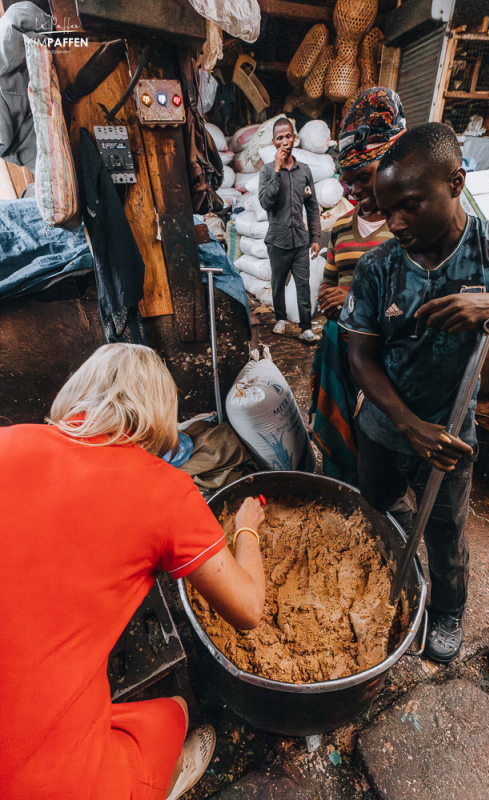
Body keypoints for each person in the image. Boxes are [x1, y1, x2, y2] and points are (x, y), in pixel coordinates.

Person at [0, 344, 266, 800]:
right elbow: (249, 609)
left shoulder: (9, 440)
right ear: (162, 416)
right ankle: (170, 776)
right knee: (176, 713)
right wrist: (247, 529)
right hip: (39, 783)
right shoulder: (165, 489)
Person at [339, 122, 489, 663]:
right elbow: (360, 355)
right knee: (379, 502)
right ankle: (399, 558)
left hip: (450, 434)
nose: (395, 223)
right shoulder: (378, 267)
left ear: (456, 180)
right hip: (383, 423)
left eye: (409, 205)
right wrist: (407, 425)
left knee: (446, 530)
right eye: (384, 209)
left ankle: (447, 609)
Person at [310, 88, 406, 486]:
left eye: (362, 178)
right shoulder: (341, 230)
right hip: (344, 349)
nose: (352, 191)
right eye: (346, 182)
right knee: (343, 429)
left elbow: (412, 296)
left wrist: (352, 301)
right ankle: (341, 483)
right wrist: (331, 304)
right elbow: (327, 288)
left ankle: (375, 493)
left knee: (378, 441)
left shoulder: (406, 229)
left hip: (385, 356)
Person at [258, 117, 322, 343]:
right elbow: (266, 202)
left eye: (288, 136)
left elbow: (312, 206)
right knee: (278, 282)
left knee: (302, 283)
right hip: (278, 239)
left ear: (294, 137)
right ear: (274, 142)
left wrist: (315, 236)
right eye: (279, 138)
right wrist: (276, 168)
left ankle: (305, 327)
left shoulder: (304, 171)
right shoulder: (267, 171)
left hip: (300, 240)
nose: (284, 141)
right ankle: (280, 318)